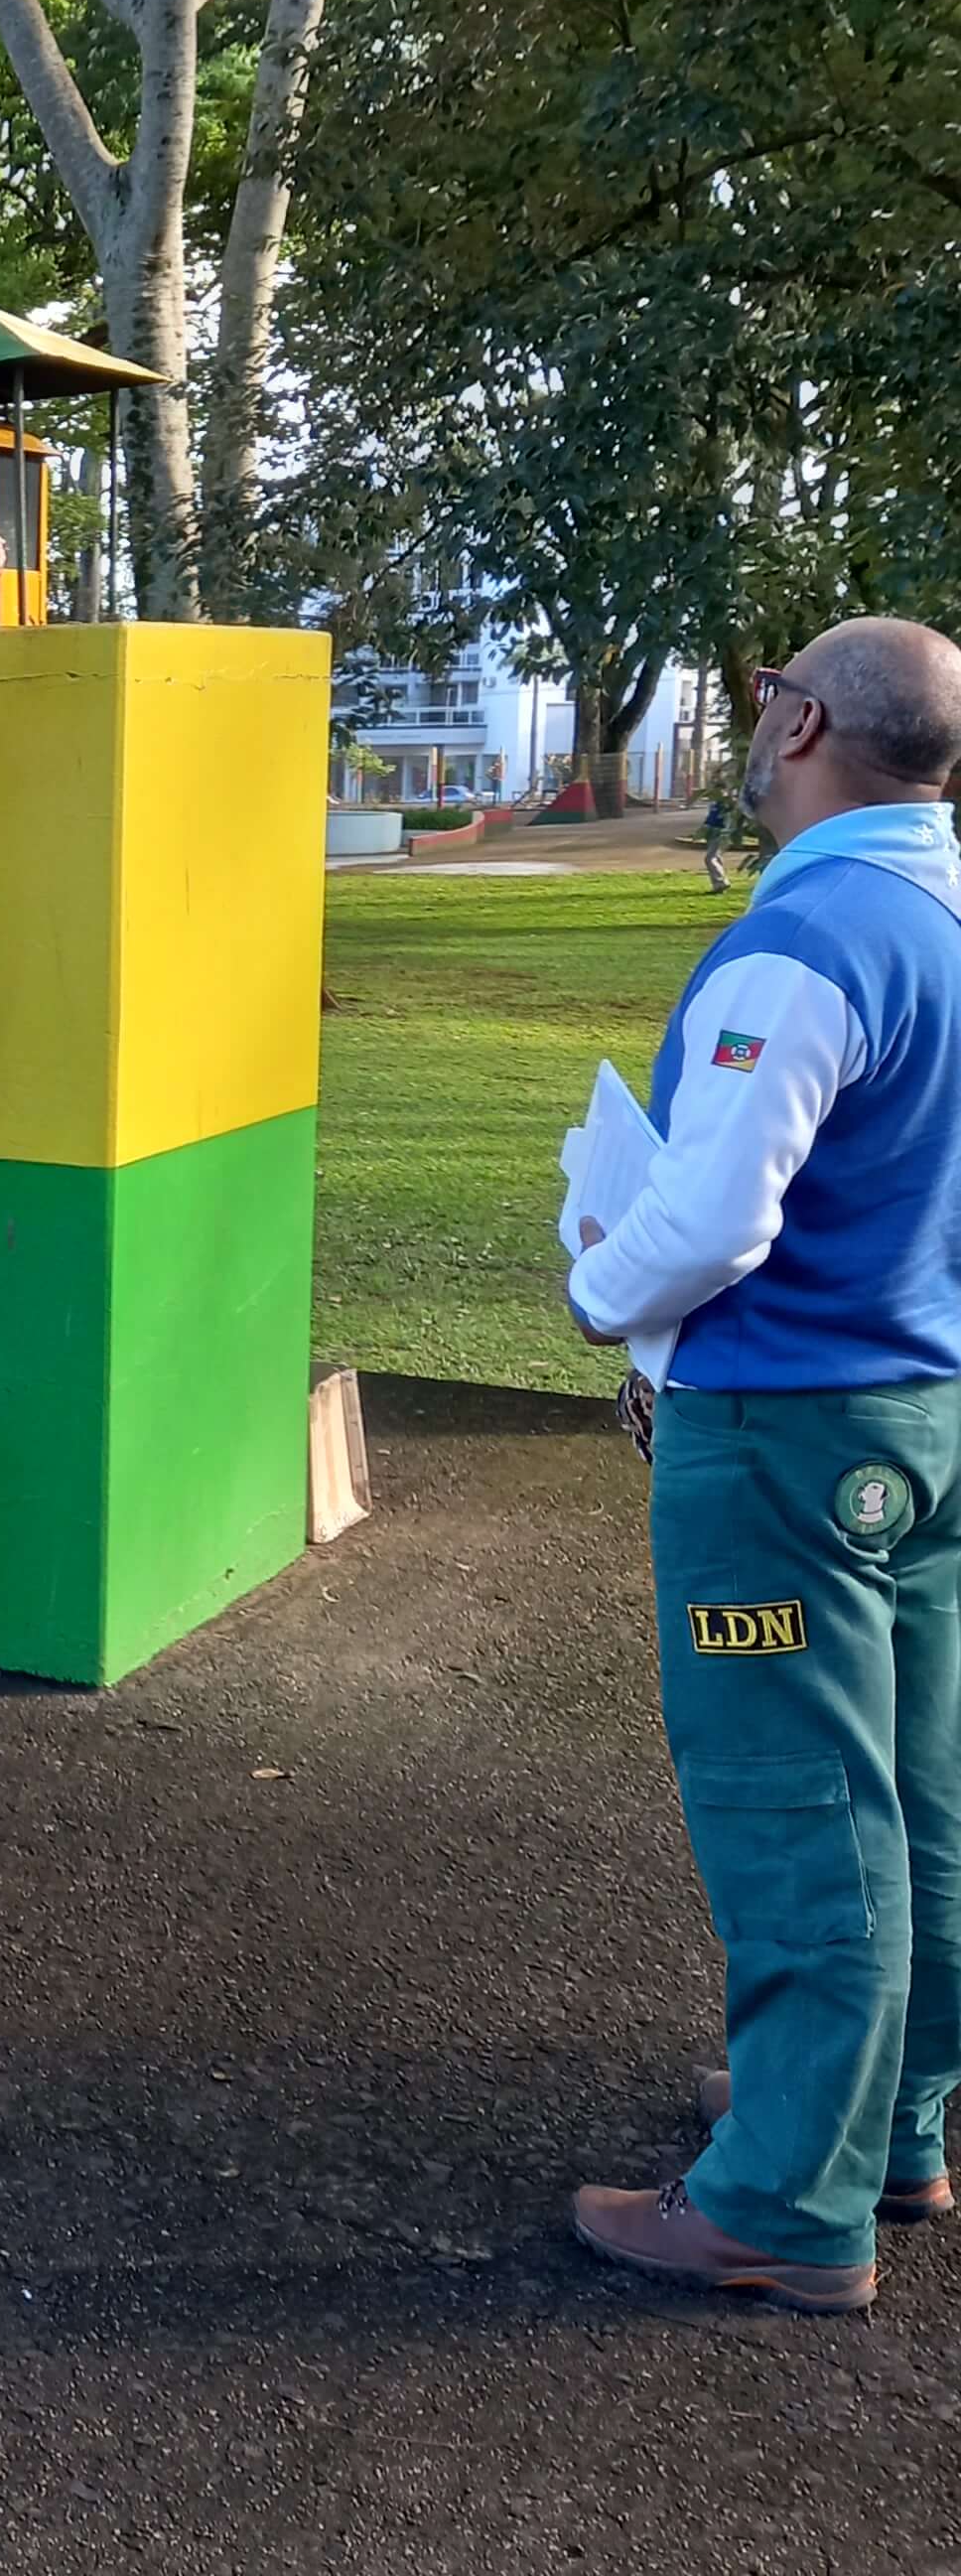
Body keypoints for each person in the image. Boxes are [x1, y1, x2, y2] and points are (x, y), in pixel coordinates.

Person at [567, 616, 961, 2313]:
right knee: (922, 1793)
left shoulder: (804, 940)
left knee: (797, 1803)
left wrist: (596, 1285)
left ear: (803, 723)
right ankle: (882, 2125)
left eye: (761, 701)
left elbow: (716, 1215)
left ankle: (785, 2200)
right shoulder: (944, 909)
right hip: (925, 1417)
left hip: (784, 1439)